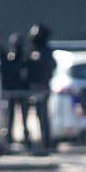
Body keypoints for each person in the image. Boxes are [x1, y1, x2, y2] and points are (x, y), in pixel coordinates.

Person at [24, 23, 55, 152]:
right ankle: (27, 141)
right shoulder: (31, 50)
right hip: (28, 88)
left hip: (41, 87)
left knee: (42, 115)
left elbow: (49, 67)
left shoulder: (46, 52)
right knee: (26, 114)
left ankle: (45, 142)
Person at [0, 33, 28, 147]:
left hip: (23, 90)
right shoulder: (10, 58)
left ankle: (26, 137)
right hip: (12, 90)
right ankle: (9, 136)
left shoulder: (24, 58)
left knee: (24, 115)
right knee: (10, 115)